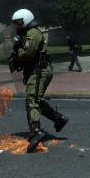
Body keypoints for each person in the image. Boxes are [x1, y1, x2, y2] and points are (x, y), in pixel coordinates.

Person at [9, 9, 69, 153]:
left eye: (18, 23)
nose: (17, 27)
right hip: (37, 70)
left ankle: (36, 131)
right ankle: (59, 119)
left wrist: (17, 54)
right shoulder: (27, 34)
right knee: (37, 100)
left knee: (32, 100)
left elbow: (27, 54)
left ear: (26, 20)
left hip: (39, 71)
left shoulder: (33, 34)